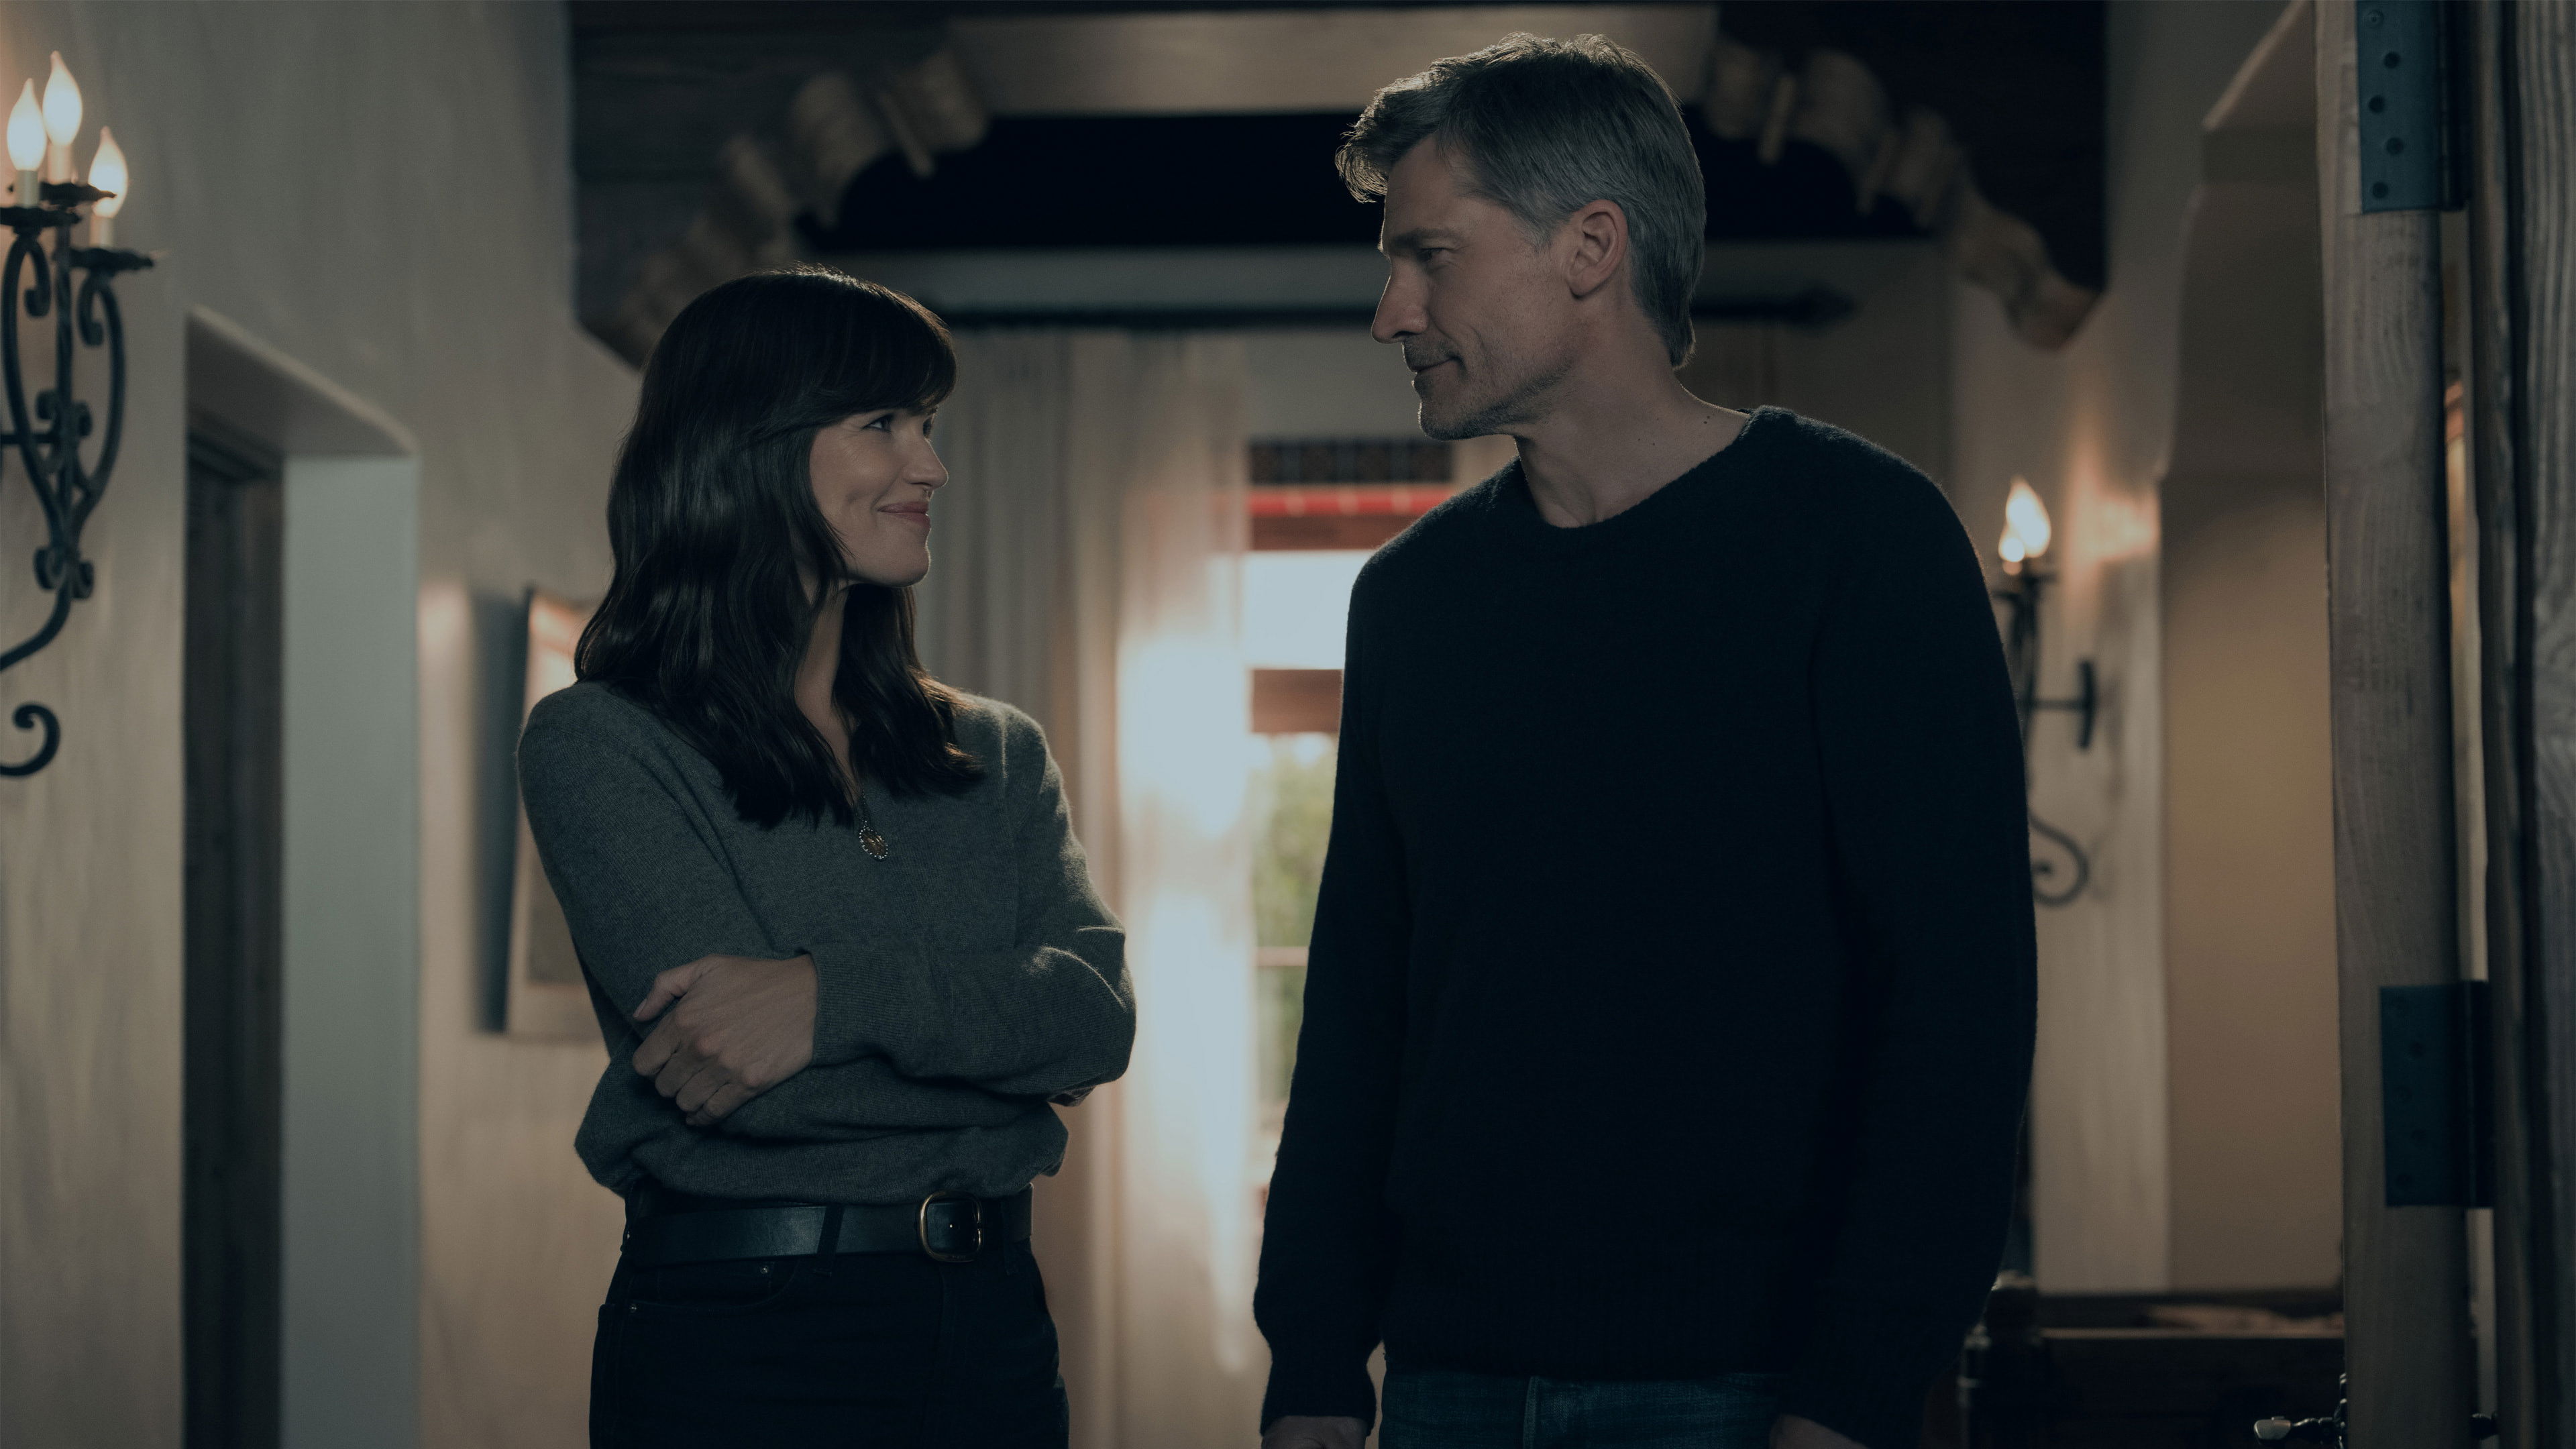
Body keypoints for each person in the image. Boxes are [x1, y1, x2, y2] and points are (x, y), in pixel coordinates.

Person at [1254, 35, 2037, 1449]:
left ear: (1591, 247)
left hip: (1756, 1388)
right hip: (1446, 1384)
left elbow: (1957, 1012)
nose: (1389, 313)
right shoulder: (1412, 600)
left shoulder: (1861, 542)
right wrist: (1311, 1359)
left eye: (1430, 256)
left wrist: (1854, 1395)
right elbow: (1362, 1000)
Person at [519, 267, 1133, 1449]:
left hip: (994, 1328)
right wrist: (991, 1050)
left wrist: (828, 998)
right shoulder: (601, 742)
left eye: (928, 425)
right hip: (745, 1338)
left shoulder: (998, 751)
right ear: (749, 445)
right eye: (884, 423)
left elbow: (1094, 1021)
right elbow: (748, 1085)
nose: (931, 466)